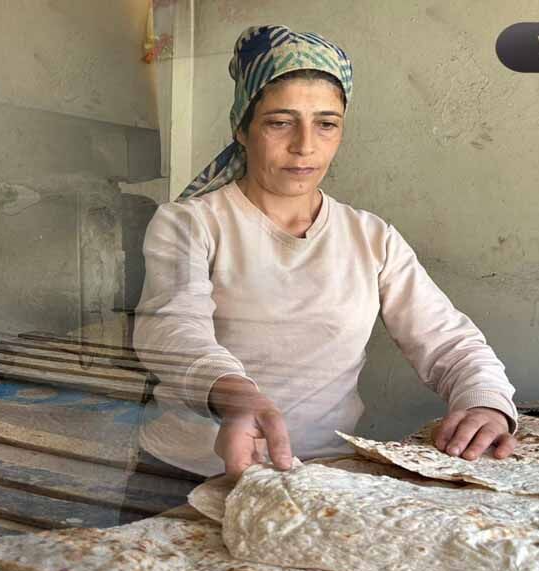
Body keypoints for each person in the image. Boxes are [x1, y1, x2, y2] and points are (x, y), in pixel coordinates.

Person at [134, 25, 519, 478]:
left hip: (319, 477)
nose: (305, 145)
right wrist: (236, 397)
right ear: (242, 127)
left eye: (326, 124)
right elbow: (172, 329)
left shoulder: (371, 238)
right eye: (280, 122)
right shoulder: (191, 223)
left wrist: (485, 402)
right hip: (187, 473)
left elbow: (450, 342)